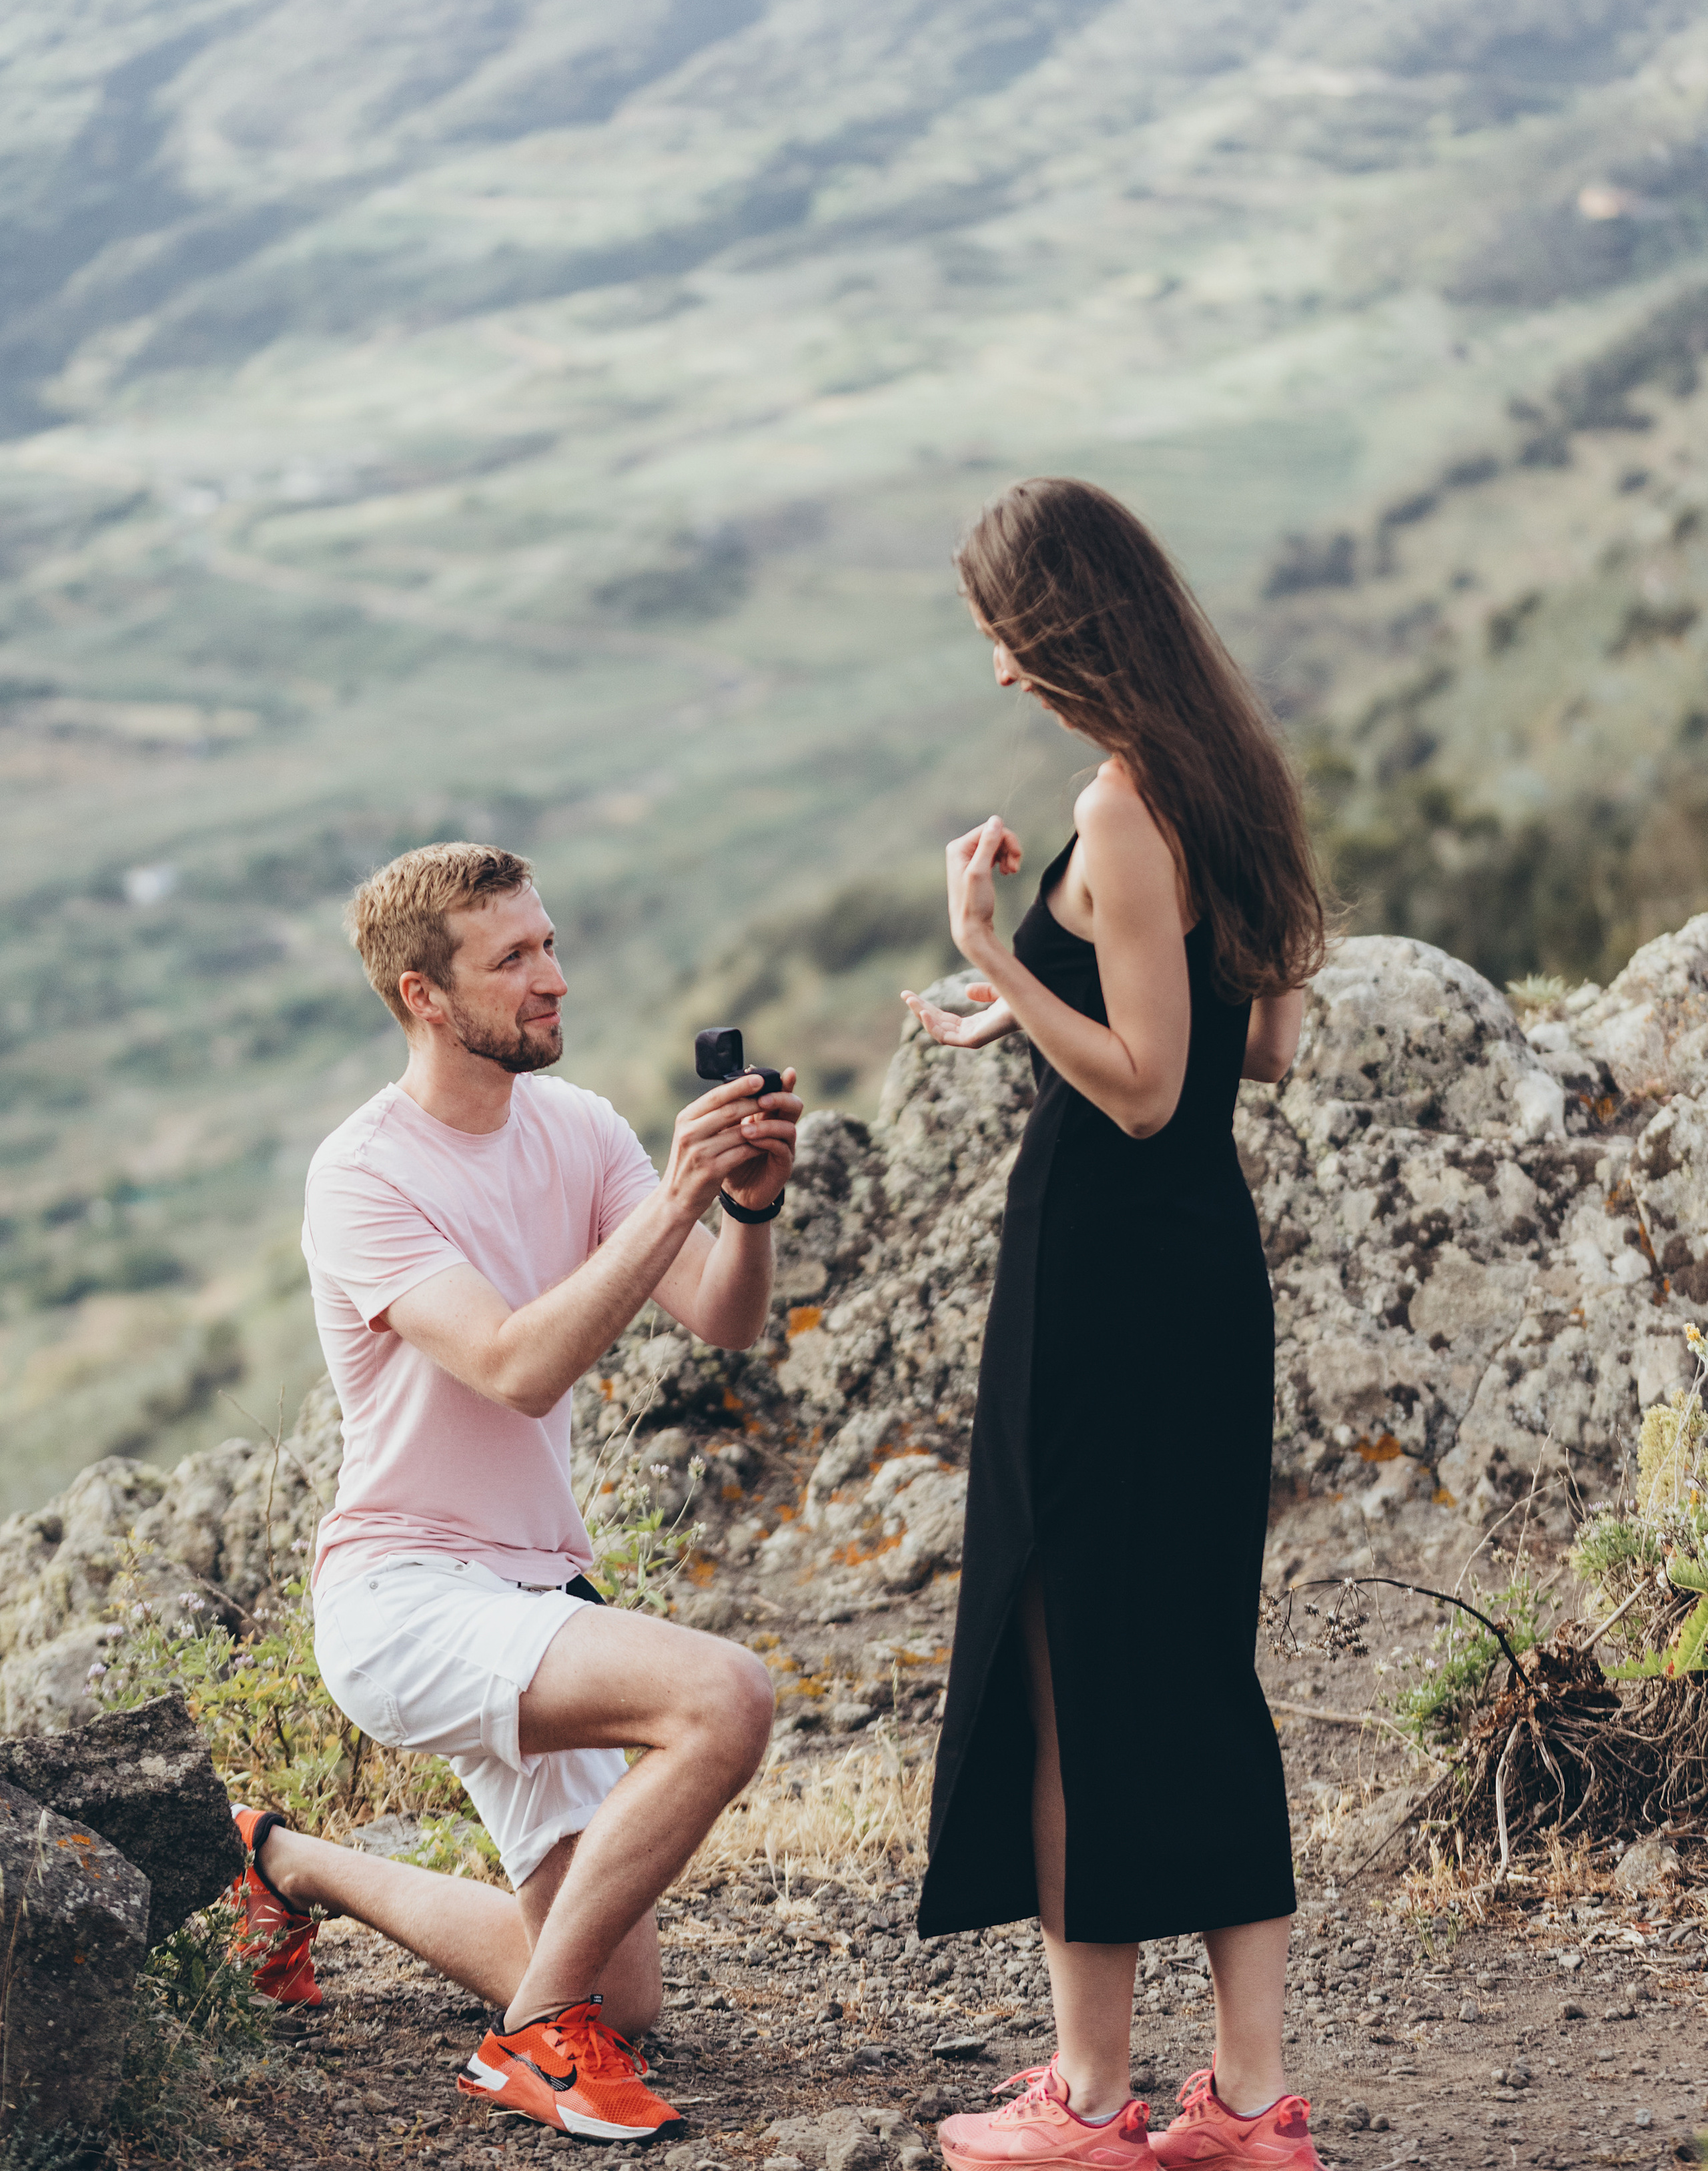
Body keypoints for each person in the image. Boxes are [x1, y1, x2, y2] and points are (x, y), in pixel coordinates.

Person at [226, 841, 798, 2144]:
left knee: (629, 1994)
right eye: (513, 959)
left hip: (531, 1590)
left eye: (547, 944)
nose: (552, 978)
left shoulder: (579, 1126)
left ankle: (281, 1859)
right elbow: (512, 1365)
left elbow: (719, 1315)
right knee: (724, 1697)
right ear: (425, 997)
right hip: (405, 1598)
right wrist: (679, 1195)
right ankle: (533, 2042)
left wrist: (746, 1210)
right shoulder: (362, 1173)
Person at [899, 482, 1328, 2171]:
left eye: (1005, 637)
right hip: (1200, 1281)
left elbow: (1150, 1096)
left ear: (1063, 625)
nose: (1000, 674)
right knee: (1194, 1668)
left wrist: (995, 958)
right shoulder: (1229, 772)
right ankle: (1245, 2101)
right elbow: (1259, 1047)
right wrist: (1031, 1010)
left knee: (1072, 1663)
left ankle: (1084, 2105)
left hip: (1104, 1284)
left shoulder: (1125, 806)